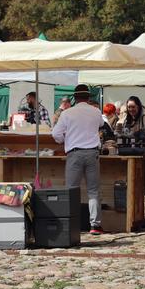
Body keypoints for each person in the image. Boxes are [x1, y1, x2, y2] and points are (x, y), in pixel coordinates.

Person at [52, 84, 104, 235]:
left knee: (72, 190)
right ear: (89, 97)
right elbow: (101, 125)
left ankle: (72, 224)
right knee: (93, 190)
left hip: (74, 153)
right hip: (92, 153)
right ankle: (95, 225)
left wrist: (65, 139)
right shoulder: (96, 111)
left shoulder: (67, 113)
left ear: (74, 97)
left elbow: (55, 134)